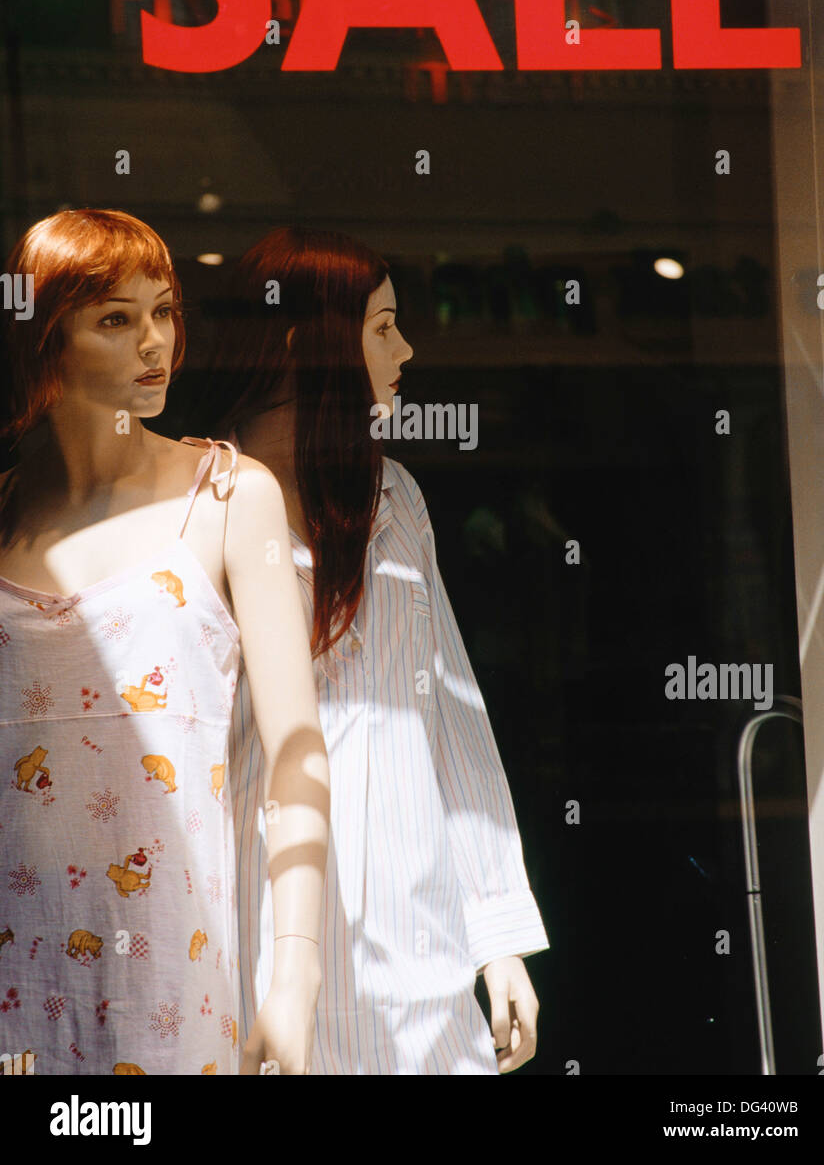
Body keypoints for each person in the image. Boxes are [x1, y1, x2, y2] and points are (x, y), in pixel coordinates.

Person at [212, 226, 549, 1075]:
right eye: (382, 325)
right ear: (307, 340)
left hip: (416, 931)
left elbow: (449, 714)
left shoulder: (395, 497)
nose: (407, 346)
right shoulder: (198, 502)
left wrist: (497, 935)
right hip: (263, 928)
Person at [0, 208, 328, 1076]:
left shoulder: (227, 498)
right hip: (15, 985)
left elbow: (298, 753)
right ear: (45, 339)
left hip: (172, 981)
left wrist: (295, 964)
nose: (156, 342)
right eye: (116, 318)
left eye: (165, 311)